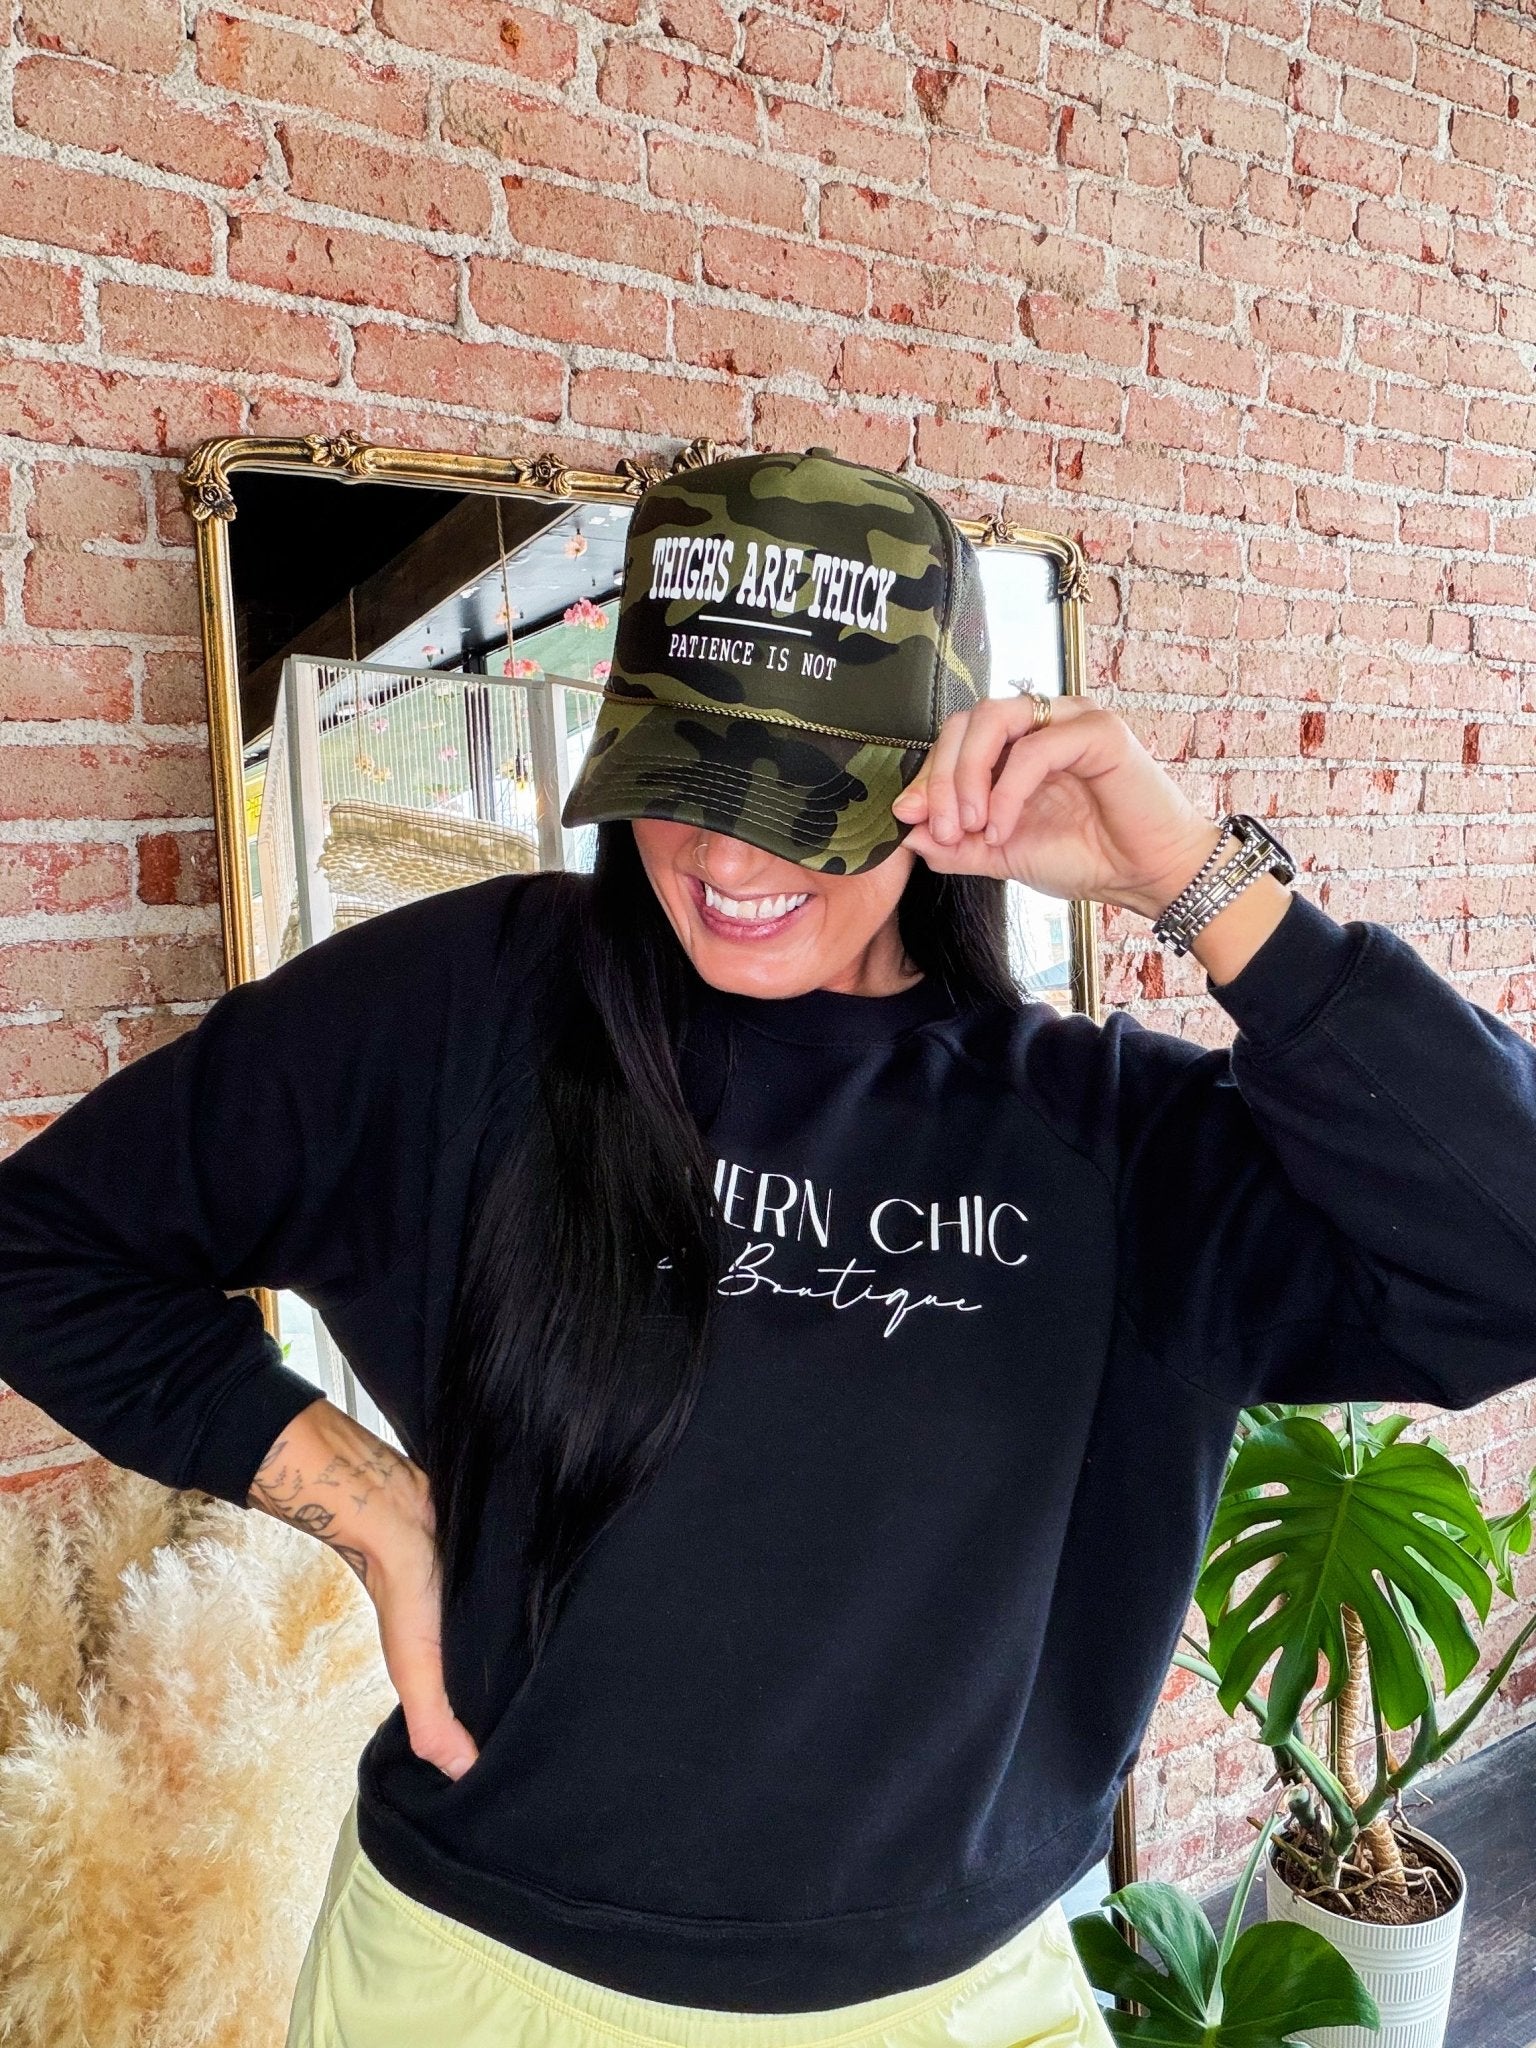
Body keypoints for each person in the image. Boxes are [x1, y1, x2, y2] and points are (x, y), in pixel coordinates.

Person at [1, 447, 1533, 2048]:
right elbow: (46, 1246)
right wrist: (376, 1509)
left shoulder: (1112, 1142)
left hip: (946, 2011)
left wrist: (1198, 883)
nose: (727, 865)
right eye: (687, 779)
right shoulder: (468, 1011)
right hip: (476, 1985)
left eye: (800, 805)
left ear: (937, 782)